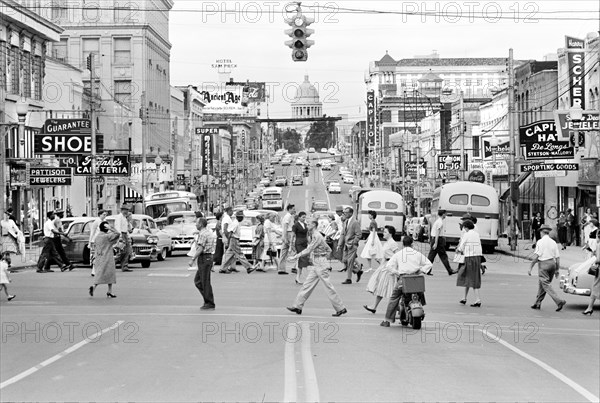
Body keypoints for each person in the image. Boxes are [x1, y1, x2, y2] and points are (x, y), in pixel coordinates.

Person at [286, 218, 347, 317]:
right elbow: (328, 249)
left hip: (320, 264)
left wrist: (295, 256)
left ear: (314, 225)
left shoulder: (317, 235)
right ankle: (298, 306)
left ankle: (340, 308)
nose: (307, 225)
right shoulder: (315, 235)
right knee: (307, 285)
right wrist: (322, 256)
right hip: (317, 263)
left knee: (328, 287)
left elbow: (309, 249)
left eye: (309, 223)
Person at [380, 236, 432, 327]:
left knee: (394, 298)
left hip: (403, 280)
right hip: (416, 279)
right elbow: (429, 264)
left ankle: (387, 320)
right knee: (420, 292)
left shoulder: (398, 254)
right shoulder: (417, 253)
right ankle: (420, 304)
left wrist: (397, 272)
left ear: (403, 244)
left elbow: (388, 266)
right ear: (412, 244)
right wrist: (421, 270)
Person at [528, 224, 566, 311]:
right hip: (552, 264)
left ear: (542, 232)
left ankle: (559, 301)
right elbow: (557, 258)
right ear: (548, 232)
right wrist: (557, 270)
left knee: (546, 285)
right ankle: (537, 302)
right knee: (543, 284)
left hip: (543, 264)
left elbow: (536, 256)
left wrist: (530, 267)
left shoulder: (540, 242)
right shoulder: (553, 242)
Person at [364, 226, 400, 314]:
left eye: (385, 232)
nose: (383, 233)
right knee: (382, 287)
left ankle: (399, 309)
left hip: (390, 268)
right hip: (385, 266)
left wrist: (396, 268)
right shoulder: (387, 243)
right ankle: (375, 306)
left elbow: (398, 256)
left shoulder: (393, 243)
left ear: (390, 234)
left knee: (389, 289)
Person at [189, 217, 216, 310]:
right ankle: (207, 300)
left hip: (205, 258)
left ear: (200, 224)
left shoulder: (203, 234)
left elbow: (200, 248)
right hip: (207, 258)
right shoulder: (206, 233)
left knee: (204, 282)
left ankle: (209, 302)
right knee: (199, 281)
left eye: (197, 223)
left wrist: (193, 259)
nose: (195, 225)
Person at [88, 222, 120, 298]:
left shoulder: (97, 236)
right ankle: (108, 290)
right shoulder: (107, 236)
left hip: (99, 257)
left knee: (99, 273)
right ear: (106, 228)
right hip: (108, 256)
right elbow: (118, 234)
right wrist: (111, 228)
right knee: (110, 273)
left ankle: (100, 288)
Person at [456, 220, 483, 307]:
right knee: (468, 277)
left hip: (469, 258)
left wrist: (458, 250)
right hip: (477, 257)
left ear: (466, 227)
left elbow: (462, 245)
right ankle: (464, 298)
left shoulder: (466, 234)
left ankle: (478, 300)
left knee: (470, 277)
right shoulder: (476, 234)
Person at [427, 209, 456, 276]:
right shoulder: (440, 222)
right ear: (443, 214)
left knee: (431, 256)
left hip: (435, 239)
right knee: (443, 256)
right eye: (445, 214)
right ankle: (450, 270)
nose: (446, 215)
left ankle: (427, 270)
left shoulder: (438, 221)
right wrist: (436, 243)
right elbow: (437, 233)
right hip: (438, 240)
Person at [339, 206, 364, 284]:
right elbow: (342, 234)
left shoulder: (355, 222)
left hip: (352, 245)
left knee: (350, 261)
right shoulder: (346, 221)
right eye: (344, 213)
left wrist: (354, 242)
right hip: (346, 245)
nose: (344, 214)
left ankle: (348, 279)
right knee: (345, 261)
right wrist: (339, 244)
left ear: (351, 213)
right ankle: (357, 271)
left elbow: (359, 234)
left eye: (346, 213)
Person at [583, 231, 600, 315]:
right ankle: (589, 307)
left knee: (595, 286)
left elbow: (598, 259)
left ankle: (590, 307)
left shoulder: (599, 245)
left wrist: (595, 261)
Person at [89, 210, 109, 277]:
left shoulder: (105, 221)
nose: (104, 216)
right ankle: (94, 270)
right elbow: (92, 232)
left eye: (105, 214)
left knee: (102, 255)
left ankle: (99, 270)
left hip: (103, 240)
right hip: (96, 240)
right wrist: (90, 242)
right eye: (103, 214)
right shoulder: (96, 222)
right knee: (96, 255)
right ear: (100, 215)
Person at [114, 204, 133, 272]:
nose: (127, 211)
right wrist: (120, 236)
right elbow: (118, 227)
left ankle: (125, 266)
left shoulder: (124, 218)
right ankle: (114, 262)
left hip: (125, 234)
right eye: (126, 210)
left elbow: (126, 228)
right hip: (121, 234)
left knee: (127, 251)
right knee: (122, 251)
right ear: (123, 210)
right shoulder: (119, 217)